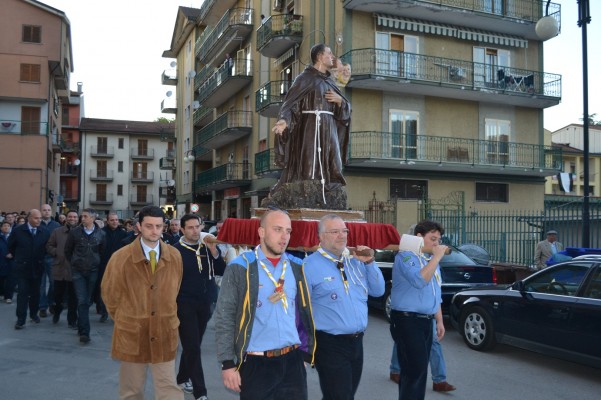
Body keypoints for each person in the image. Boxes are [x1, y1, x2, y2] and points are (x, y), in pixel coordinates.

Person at [214, 208, 316, 399]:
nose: (284, 236)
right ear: (261, 232)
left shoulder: (297, 267)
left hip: (293, 362)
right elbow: (224, 316)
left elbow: (304, 313)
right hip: (256, 364)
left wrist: (304, 353)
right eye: (277, 229)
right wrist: (227, 363)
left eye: (288, 231)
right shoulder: (240, 267)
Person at [101, 205, 184, 400]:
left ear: (164, 227)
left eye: (158, 226)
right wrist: (126, 319)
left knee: (169, 389)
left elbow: (175, 290)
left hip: (164, 332)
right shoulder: (120, 258)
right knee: (131, 391)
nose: (154, 231)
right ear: (138, 226)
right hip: (132, 335)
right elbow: (110, 294)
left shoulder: (174, 256)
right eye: (149, 226)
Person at [303, 214, 385, 399]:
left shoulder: (356, 262)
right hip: (329, 344)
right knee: (341, 396)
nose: (342, 235)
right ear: (321, 236)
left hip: (357, 343)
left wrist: (370, 262)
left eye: (344, 231)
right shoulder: (309, 266)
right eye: (335, 231)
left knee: (344, 394)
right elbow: (300, 309)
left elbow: (378, 291)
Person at [271, 43, 351, 204]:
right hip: (309, 127)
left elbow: (345, 111)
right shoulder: (304, 79)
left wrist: (340, 102)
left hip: (329, 128)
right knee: (309, 161)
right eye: (329, 53)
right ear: (320, 57)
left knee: (333, 161)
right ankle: (308, 193)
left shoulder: (330, 81)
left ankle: (330, 191)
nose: (333, 57)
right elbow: (290, 105)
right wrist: (284, 121)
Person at [389, 220, 447, 400]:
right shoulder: (406, 256)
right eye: (433, 239)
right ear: (419, 237)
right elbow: (419, 280)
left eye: (438, 240)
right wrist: (437, 257)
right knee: (414, 370)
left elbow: (435, 292)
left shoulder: (430, 260)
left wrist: (439, 320)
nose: (436, 244)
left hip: (426, 320)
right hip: (407, 320)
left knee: (419, 371)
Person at [172, 214, 225, 400]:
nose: (196, 231)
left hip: (206, 303)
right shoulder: (175, 251)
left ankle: (181, 377)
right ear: (182, 230)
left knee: (192, 344)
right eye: (191, 228)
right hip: (184, 304)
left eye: (198, 226)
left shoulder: (207, 246)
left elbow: (221, 270)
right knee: (193, 346)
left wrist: (214, 251)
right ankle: (200, 392)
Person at [64, 208, 106, 343]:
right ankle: (84, 332)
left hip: (93, 271)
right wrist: (75, 262)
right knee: (82, 300)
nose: (82, 218)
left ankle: (81, 323)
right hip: (78, 271)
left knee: (86, 301)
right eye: (82, 216)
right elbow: (68, 250)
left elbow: (102, 251)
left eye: (86, 216)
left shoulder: (101, 234)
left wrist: (96, 263)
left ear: (93, 218)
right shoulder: (75, 232)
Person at [8, 209, 50, 329]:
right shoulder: (18, 231)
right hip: (22, 268)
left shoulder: (44, 231)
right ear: (29, 218)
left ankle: (33, 314)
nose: (39, 220)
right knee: (22, 294)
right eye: (36, 218)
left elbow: (47, 248)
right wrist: (19, 258)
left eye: (40, 218)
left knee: (36, 293)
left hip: (37, 267)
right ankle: (21, 319)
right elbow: (11, 246)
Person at [389, 321, 456, 392]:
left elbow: (437, 309)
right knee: (403, 337)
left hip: (428, 314)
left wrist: (440, 321)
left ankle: (439, 381)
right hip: (408, 313)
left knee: (433, 341)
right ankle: (395, 371)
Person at [46, 210, 79, 329]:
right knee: (58, 295)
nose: (72, 219)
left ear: (78, 218)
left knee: (73, 297)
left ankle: (72, 320)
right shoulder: (57, 231)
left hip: (74, 269)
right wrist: (57, 253)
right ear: (66, 218)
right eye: (70, 216)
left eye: (75, 217)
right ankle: (57, 312)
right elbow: (49, 245)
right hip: (59, 267)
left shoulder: (80, 232)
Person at [96, 211, 127, 322]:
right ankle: (104, 312)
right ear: (107, 221)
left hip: (119, 266)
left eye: (116, 220)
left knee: (119, 290)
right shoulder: (101, 233)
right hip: (104, 265)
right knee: (105, 289)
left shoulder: (123, 234)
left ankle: (117, 312)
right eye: (112, 220)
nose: (115, 222)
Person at [39, 204, 61, 318]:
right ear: (40, 211)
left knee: (53, 283)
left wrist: (55, 252)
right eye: (44, 210)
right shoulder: (37, 224)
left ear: (51, 212)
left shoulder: (56, 225)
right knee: (41, 285)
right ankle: (42, 307)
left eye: (48, 210)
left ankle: (51, 302)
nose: (46, 212)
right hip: (38, 258)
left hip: (51, 258)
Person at [0, 221, 15, 303]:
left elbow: (17, 247)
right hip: (1, 260)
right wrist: (4, 254)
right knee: (1, 279)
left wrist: (13, 254)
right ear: (1, 227)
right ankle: (1, 293)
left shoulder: (13, 237)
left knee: (10, 280)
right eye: (4, 226)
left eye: (8, 226)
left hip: (11, 261)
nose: (6, 227)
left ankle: (8, 297)